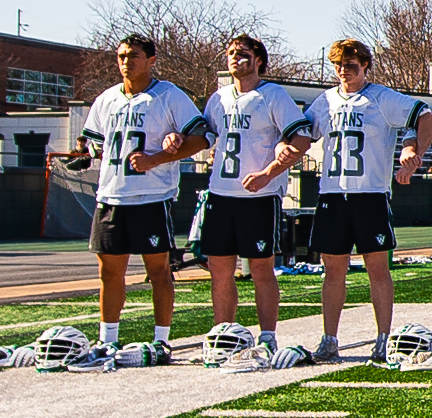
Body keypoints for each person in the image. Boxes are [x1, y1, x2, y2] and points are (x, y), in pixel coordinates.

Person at [299, 38, 432, 362]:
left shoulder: (381, 98)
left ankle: (383, 338)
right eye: (339, 65)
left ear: (364, 66)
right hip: (333, 194)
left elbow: (426, 118)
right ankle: (329, 339)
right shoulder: (324, 101)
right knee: (332, 271)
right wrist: (283, 149)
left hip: (370, 194)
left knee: (377, 269)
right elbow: (302, 133)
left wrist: (413, 152)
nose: (344, 71)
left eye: (351, 65)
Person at [76, 34, 212, 357]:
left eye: (134, 55)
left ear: (151, 61)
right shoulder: (107, 99)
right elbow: (92, 142)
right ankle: (108, 339)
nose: (126, 61)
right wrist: (84, 151)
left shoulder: (168, 96)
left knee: (159, 271)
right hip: (110, 197)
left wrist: (157, 158)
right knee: (109, 272)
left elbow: (201, 138)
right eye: (122, 55)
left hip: (151, 197)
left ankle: (161, 339)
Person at [199, 34, 313, 350]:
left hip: (258, 196)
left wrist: (268, 173)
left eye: (243, 53)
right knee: (219, 268)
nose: (236, 58)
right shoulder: (218, 98)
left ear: (259, 59)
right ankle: (223, 333)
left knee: (261, 266)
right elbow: (205, 137)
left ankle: (267, 337)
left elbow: (300, 140)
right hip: (221, 193)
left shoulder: (272, 95)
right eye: (231, 53)